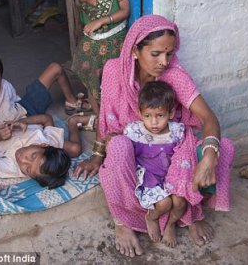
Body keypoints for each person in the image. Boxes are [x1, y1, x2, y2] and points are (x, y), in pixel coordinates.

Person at [74, 15, 234, 257]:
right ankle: (125, 221)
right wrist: (97, 154)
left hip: (170, 149)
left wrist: (209, 158)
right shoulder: (114, 71)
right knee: (117, 147)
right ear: (135, 50)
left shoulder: (174, 75)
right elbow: (107, 117)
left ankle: (189, 213)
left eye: (169, 54)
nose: (164, 61)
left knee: (224, 147)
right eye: (156, 54)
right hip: (136, 152)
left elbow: (209, 119)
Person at [0, 53, 89, 175]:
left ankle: (71, 101)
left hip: (24, 115)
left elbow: (17, 104)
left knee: (55, 68)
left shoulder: (5, 86)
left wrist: (22, 122)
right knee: (73, 149)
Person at [124, 80, 186, 247]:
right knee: (165, 203)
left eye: (160, 116)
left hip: (170, 174)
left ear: (171, 113)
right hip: (148, 176)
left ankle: (171, 224)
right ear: (140, 113)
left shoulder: (177, 132)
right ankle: (152, 217)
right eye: (147, 116)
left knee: (180, 202)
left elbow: (183, 155)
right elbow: (124, 155)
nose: (153, 123)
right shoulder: (134, 132)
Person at [69, 0, 130, 130]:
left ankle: (115, 120)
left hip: (115, 43)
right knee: (92, 83)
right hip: (93, 45)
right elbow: (86, 22)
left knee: (114, 83)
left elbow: (125, 11)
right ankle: (100, 121)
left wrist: (102, 20)